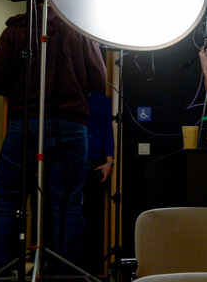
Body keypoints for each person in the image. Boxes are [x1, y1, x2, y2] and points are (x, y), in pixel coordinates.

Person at [0, 6, 107, 276]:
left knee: (7, 201)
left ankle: (2, 275)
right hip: (71, 126)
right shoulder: (80, 28)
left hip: (26, 122)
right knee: (68, 206)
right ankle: (66, 276)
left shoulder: (17, 28)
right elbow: (99, 79)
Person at [82, 90, 114, 276]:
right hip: (70, 161)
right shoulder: (72, 94)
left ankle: (91, 268)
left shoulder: (102, 100)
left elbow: (107, 129)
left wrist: (109, 160)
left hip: (94, 161)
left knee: (92, 218)